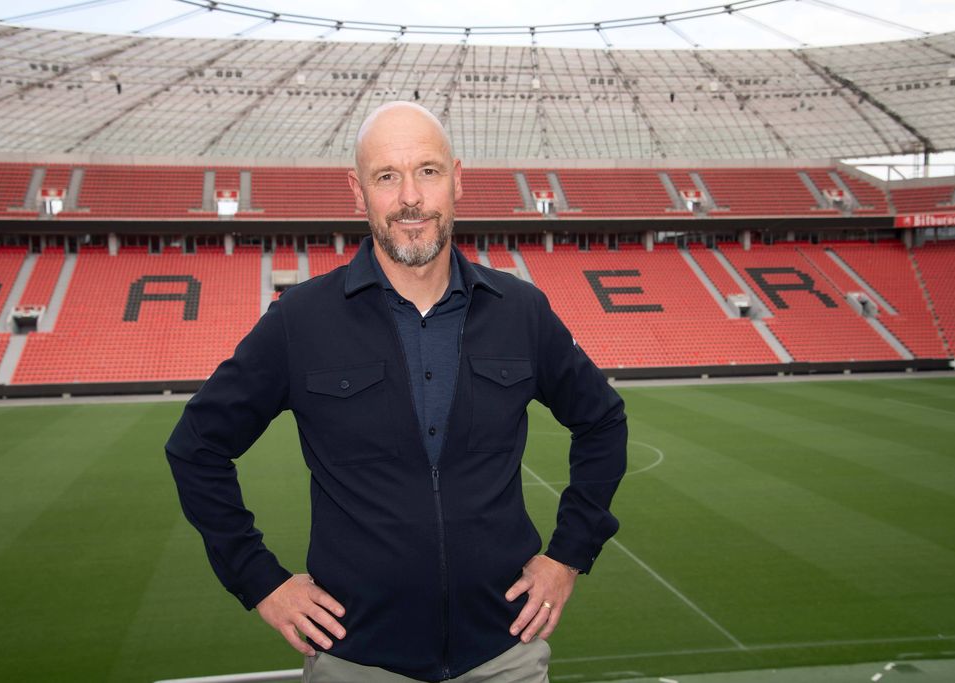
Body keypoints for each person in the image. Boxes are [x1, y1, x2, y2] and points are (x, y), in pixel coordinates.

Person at [166, 101, 627, 683]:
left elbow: (603, 421)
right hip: (357, 661)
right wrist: (260, 581)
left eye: (427, 171)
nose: (411, 198)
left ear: (457, 180)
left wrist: (567, 555)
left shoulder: (521, 311)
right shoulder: (301, 320)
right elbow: (196, 447)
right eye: (387, 176)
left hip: (503, 656)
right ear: (357, 192)